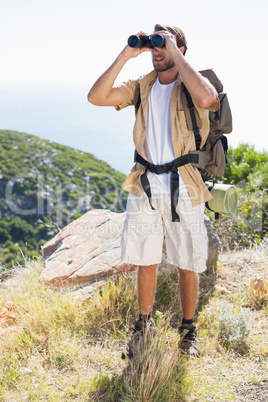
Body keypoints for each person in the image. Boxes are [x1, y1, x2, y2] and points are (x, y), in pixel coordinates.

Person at [87, 23, 219, 357]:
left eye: (162, 43)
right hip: (145, 182)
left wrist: (174, 50)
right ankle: (142, 328)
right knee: (144, 258)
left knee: (187, 259)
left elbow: (208, 98)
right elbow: (97, 97)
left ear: (180, 49)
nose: (156, 49)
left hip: (184, 183)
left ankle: (188, 330)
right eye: (153, 44)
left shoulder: (193, 84)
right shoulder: (143, 86)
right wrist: (127, 54)